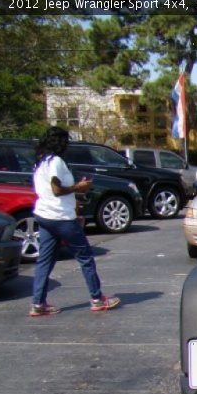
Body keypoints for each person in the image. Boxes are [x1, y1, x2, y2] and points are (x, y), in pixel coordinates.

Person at [29, 126, 120, 316]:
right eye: (66, 142)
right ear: (60, 143)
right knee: (85, 257)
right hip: (60, 217)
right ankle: (97, 299)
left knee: (45, 260)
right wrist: (79, 187)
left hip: (44, 215)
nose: (68, 145)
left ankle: (38, 303)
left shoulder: (41, 161)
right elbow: (56, 190)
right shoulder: (56, 162)